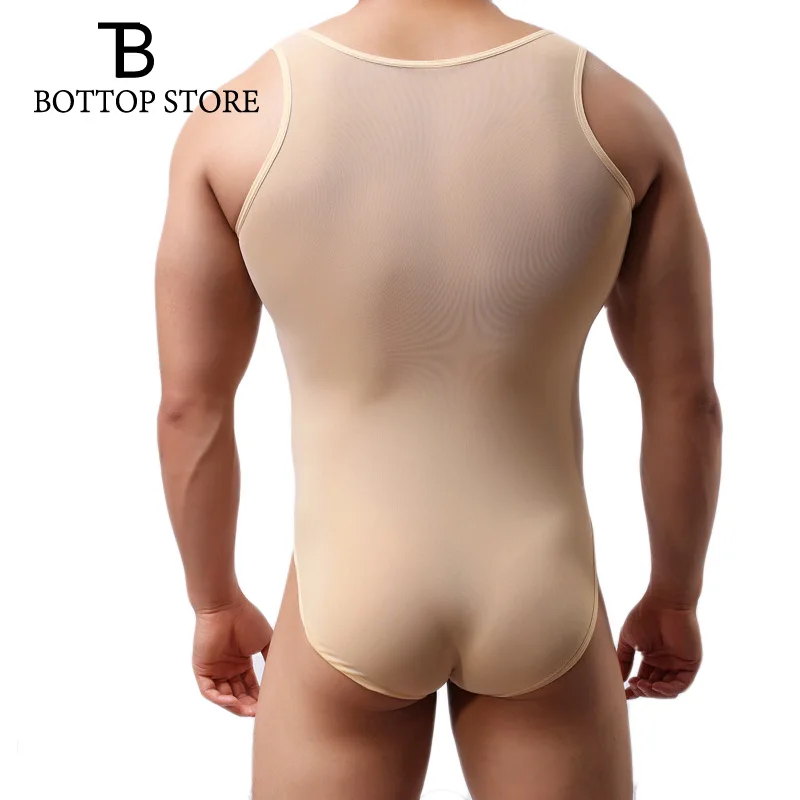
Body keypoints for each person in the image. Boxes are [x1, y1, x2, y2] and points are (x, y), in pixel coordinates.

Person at [155, 1, 722, 797]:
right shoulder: (616, 113)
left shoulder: (238, 120)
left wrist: (214, 602)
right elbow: (684, 399)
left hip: (351, 583)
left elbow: (191, 408)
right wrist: (675, 594)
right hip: (541, 585)